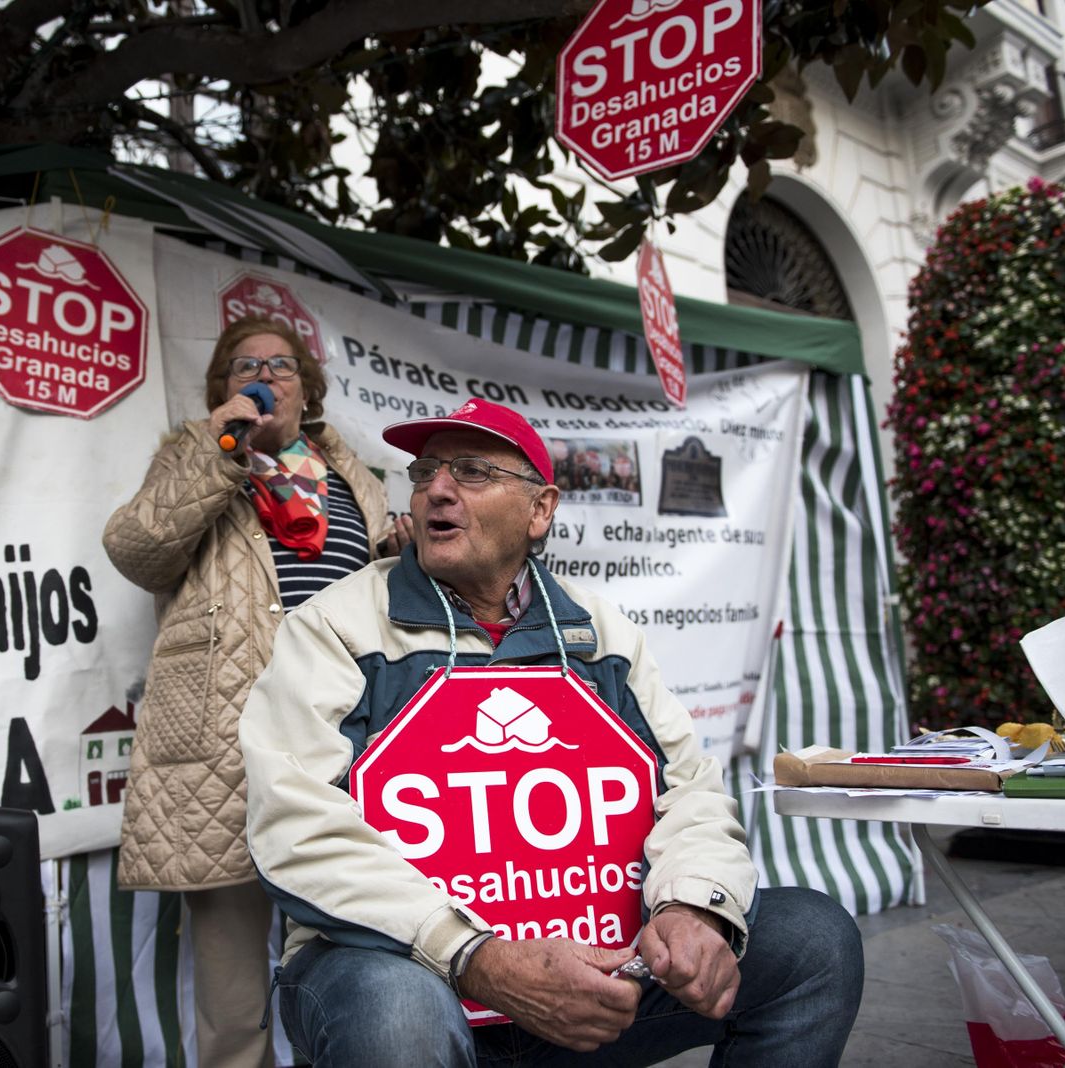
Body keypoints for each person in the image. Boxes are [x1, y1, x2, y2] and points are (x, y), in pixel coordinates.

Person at [239, 398, 864, 1066]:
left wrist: (692, 909)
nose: (437, 490)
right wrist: (473, 955)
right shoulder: (334, 627)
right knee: (398, 1017)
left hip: (594, 972)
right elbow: (294, 821)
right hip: (404, 966)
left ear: (541, 509)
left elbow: (691, 793)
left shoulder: (603, 636)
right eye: (425, 473)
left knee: (814, 940)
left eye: (472, 472)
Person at [103, 316, 401, 1068]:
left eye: (281, 364)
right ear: (221, 391)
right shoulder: (195, 460)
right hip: (225, 747)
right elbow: (135, 550)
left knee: (354, 961)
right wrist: (221, 449)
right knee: (234, 998)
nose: (262, 374)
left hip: (342, 736)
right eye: (243, 366)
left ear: (308, 388)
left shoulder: (351, 475)